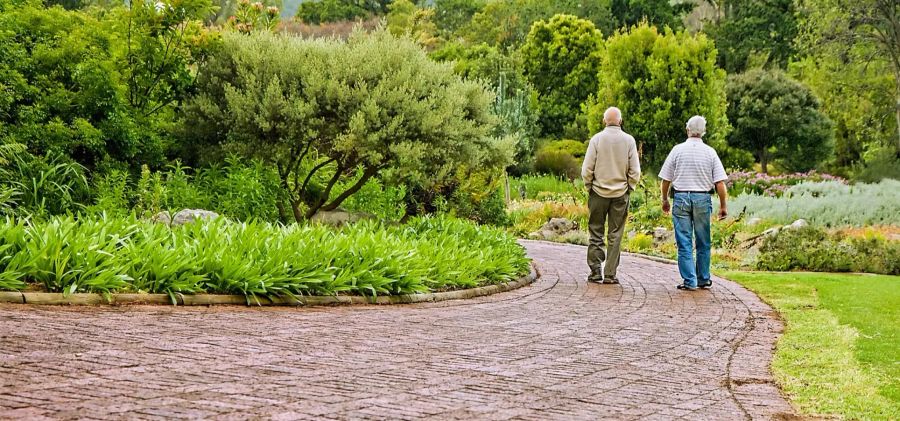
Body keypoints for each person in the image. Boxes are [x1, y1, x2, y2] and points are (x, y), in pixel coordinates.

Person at [658, 115, 728, 291]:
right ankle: (703, 278)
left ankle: (690, 281)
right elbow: (720, 183)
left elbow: (666, 179)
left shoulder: (677, 150)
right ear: (703, 132)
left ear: (687, 129)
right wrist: (723, 206)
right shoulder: (710, 152)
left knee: (684, 241)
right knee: (703, 241)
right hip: (702, 198)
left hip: (681, 197)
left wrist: (665, 199)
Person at [581, 107, 641, 284]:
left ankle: (595, 271)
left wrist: (589, 186)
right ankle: (610, 273)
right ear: (620, 121)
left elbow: (587, 169)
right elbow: (635, 170)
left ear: (604, 120)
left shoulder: (597, 140)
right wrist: (629, 186)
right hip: (620, 193)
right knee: (615, 234)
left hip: (598, 192)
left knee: (595, 231)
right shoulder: (629, 140)